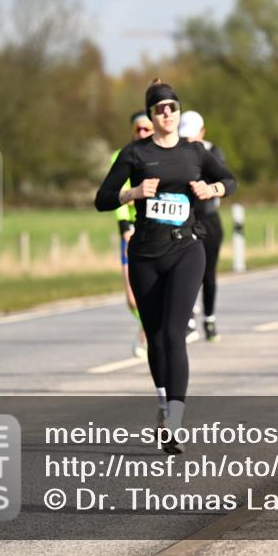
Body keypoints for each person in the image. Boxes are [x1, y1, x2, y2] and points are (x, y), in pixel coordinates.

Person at [95, 79, 236, 453]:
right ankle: (162, 403)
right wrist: (133, 192)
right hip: (145, 254)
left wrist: (213, 189)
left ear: (178, 111)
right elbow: (102, 198)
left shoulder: (194, 152)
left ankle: (174, 420)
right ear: (151, 115)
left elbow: (229, 179)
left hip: (186, 249)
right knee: (156, 336)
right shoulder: (135, 153)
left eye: (172, 107)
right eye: (160, 109)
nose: (167, 114)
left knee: (174, 333)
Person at [180, 110, 228, 342]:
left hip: (208, 219)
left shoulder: (213, 152)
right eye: (184, 137)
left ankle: (209, 318)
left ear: (202, 132)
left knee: (208, 273)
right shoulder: (173, 152)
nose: (189, 141)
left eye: (192, 136)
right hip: (183, 220)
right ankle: (188, 319)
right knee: (184, 272)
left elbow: (225, 180)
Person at [113, 112, 154, 358]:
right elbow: (116, 194)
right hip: (130, 228)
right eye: (138, 129)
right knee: (131, 297)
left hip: (154, 228)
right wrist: (124, 226)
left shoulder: (163, 156)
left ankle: (149, 332)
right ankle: (146, 324)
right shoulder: (122, 156)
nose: (142, 133)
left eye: (147, 129)